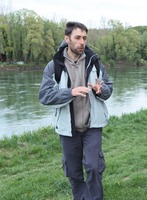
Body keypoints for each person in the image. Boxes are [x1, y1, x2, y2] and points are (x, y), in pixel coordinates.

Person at [39, 21, 113, 200]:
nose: (82, 42)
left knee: (93, 166)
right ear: (67, 39)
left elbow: (108, 88)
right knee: (73, 172)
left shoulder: (94, 62)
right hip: (68, 129)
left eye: (85, 38)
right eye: (78, 38)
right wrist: (70, 93)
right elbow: (45, 96)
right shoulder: (54, 66)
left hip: (92, 126)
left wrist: (100, 91)